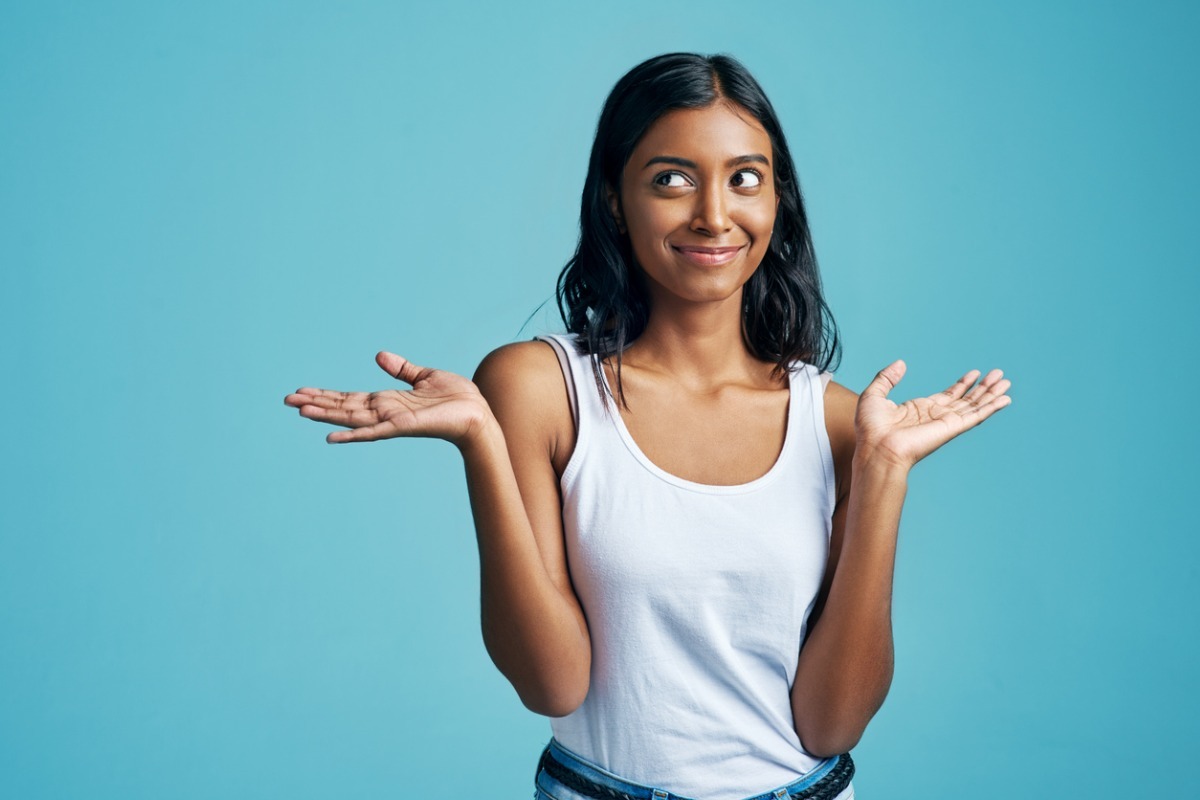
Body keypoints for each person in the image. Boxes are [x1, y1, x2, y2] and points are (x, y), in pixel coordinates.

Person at [283, 52, 1012, 800]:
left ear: (778, 201)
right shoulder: (538, 388)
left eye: (744, 178)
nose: (714, 216)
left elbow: (831, 725)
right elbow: (551, 683)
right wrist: (481, 444)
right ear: (613, 200)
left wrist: (884, 477)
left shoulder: (841, 422)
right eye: (672, 178)